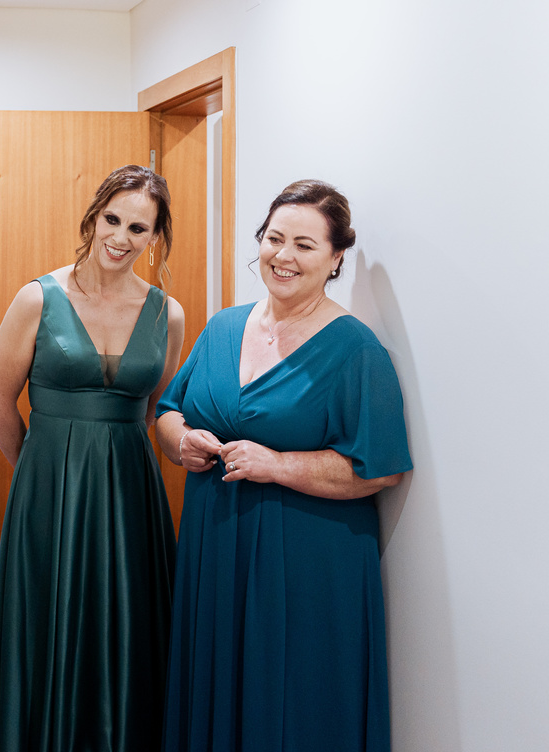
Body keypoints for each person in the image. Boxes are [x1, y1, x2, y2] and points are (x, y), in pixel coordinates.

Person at [155, 180, 413, 751]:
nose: (283, 256)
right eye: (274, 239)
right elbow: (168, 410)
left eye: (304, 244)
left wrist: (277, 464)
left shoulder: (356, 350)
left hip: (306, 563)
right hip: (216, 547)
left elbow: (380, 469)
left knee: (296, 700)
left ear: (335, 258)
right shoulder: (223, 326)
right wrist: (183, 442)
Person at [0, 165, 185, 751]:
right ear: (93, 217)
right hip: (48, 493)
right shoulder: (37, 299)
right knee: (50, 625)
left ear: (155, 237)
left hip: (131, 498)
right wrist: (40, 476)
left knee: (128, 628)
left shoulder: (167, 314)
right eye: (112, 219)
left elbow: (154, 410)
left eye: (138, 228)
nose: (120, 237)